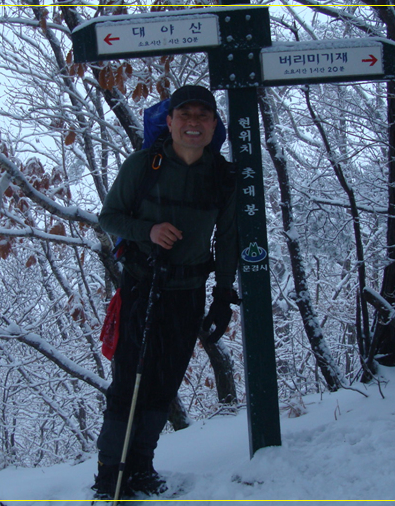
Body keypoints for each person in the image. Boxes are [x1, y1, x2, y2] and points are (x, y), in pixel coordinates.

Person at [93, 85, 240, 499]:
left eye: (203, 116)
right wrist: (149, 231)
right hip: (143, 288)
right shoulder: (145, 165)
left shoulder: (222, 177)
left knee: (162, 383)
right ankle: (110, 478)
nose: (193, 123)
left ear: (214, 124)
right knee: (128, 384)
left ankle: (140, 468)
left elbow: (228, 239)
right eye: (185, 115)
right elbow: (109, 217)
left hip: (188, 294)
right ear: (171, 121)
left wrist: (223, 295)